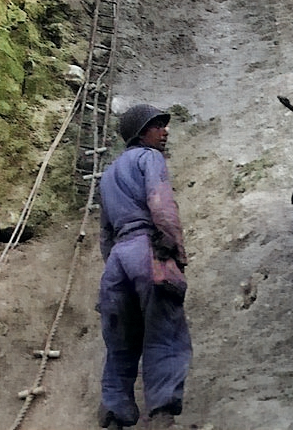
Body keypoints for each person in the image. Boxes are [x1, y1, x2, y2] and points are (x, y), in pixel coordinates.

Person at [98, 104, 192, 429]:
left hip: (116, 262)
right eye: (158, 126)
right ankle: (161, 413)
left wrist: (116, 266)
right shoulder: (150, 158)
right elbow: (161, 204)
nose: (165, 131)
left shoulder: (107, 175)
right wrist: (176, 252)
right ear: (142, 133)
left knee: (121, 342)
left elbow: (105, 235)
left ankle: (114, 414)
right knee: (164, 332)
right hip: (145, 251)